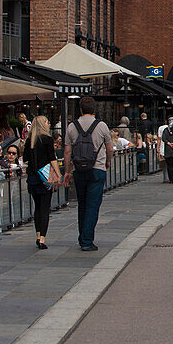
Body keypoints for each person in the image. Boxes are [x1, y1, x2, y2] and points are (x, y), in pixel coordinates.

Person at [64, 96, 114, 252]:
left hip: (79, 170)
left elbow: (67, 151)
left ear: (80, 109)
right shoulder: (102, 126)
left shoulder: (72, 127)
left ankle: (82, 236)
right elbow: (110, 148)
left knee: (82, 204)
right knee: (92, 206)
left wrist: (67, 171)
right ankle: (87, 240)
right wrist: (107, 162)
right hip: (97, 169)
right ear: (94, 110)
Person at [25, 115, 62, 250]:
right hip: (45, 177)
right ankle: (42, 239)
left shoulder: (30, 140)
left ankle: (37, 234)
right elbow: (52, 158)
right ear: (42, 124)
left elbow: (25, 158)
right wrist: (58, 174)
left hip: (33, 178)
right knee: (45, 207)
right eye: (47, 122)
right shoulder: (47, 139)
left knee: (37, 207)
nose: (48, 124)